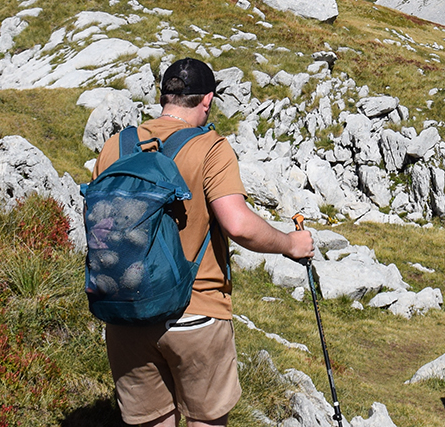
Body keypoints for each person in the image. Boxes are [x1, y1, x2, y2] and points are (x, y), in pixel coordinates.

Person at [94, 58, 314, 427]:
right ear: (207, 101)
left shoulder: (116, 146)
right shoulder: (211, 148)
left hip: (125, 313)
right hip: (194, 314)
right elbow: (239, 224)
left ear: (164, 96)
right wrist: (291, 244)